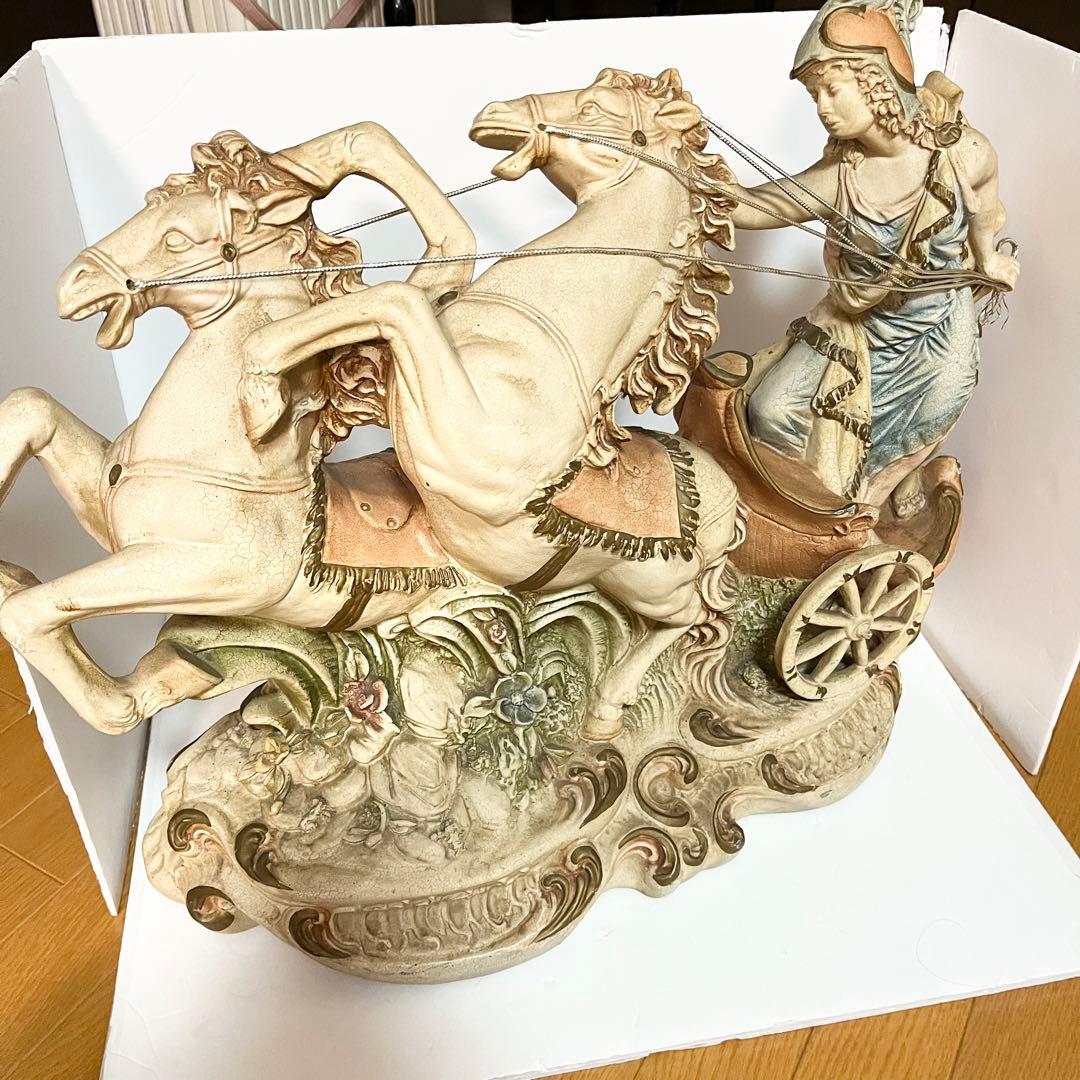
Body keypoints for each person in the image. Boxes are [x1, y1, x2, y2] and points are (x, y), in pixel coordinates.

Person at [727, 0, 1019, 516]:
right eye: (814, 94)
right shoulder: (840, 178)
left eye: (832, 89)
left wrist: (987, 257)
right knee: (770, 409)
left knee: (939, 399)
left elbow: (985, 195)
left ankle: (877, 491)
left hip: (936, 325)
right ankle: (793, 513)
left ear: (876, 82)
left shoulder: (959, 153)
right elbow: (757, 207)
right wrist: (688, 179)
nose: (822, 107)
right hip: (856, 325)